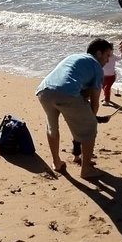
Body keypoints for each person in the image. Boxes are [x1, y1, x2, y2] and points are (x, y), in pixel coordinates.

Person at [36, 39, 113, 179]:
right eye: (108, 55)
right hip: (66, 94)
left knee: (52, 127)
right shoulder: (97, 67)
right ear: (99, 53)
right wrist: (91, 119)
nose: (108, 60)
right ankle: (86, 170)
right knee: (89, 128)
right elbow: (95, 103)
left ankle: (57, 163)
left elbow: (70, 79)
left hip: (44, 91)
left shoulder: (75, 57)